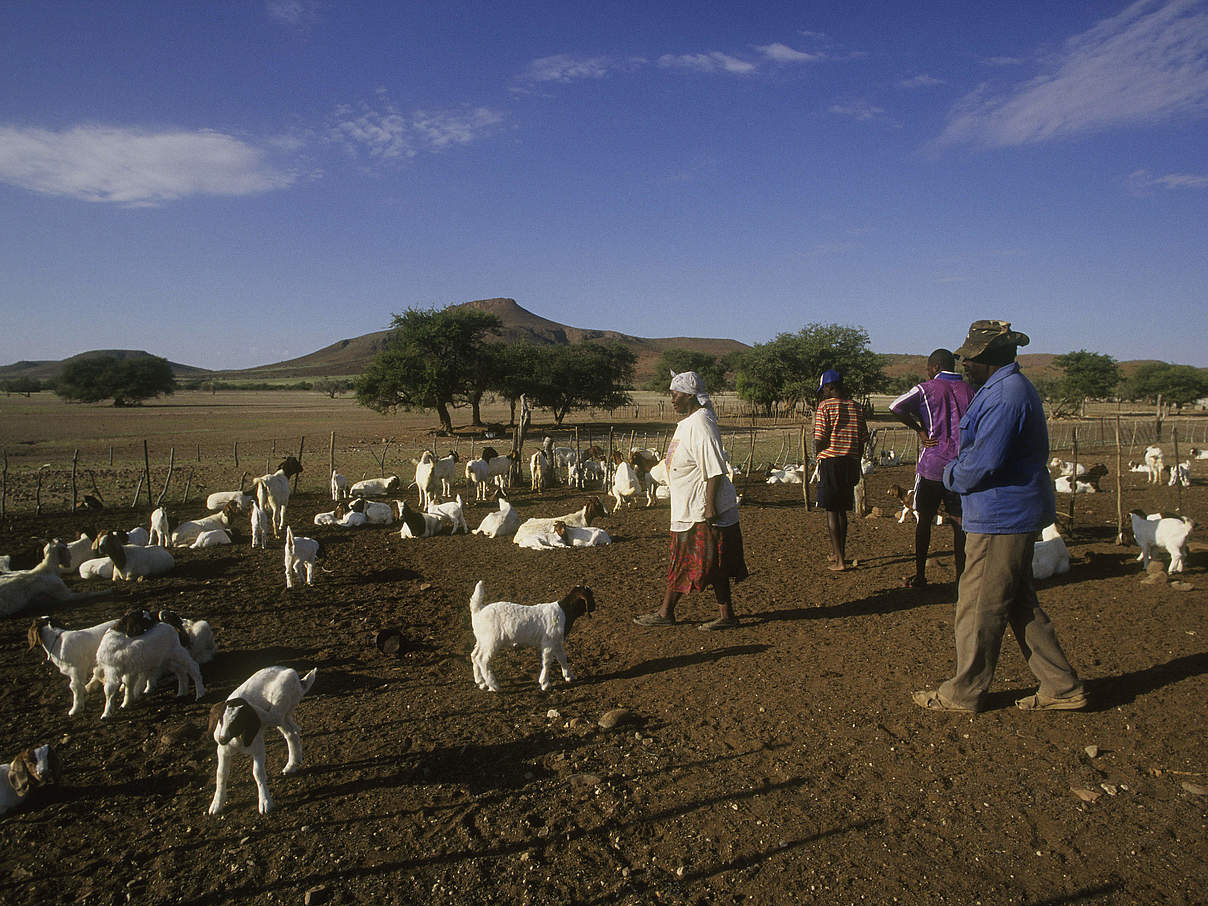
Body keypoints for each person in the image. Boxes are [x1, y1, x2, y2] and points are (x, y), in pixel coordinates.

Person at [913, 320, 1086, 713]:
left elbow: (982, 462)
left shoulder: (1006, 395)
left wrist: (950, 473)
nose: (965, 365)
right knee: (1019, 601)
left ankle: (964, 693)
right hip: (1008, 510)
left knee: (978, 605)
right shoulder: (1003, 389)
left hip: (1000, 515)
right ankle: (1062, 686)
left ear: (988, 358)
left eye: (971, 358)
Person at [634, 371, 747, 630]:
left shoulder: (701, 424)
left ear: (690, 395)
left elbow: (714, 467)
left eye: (676, 395)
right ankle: (726, 616)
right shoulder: (689, 422)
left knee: (687, 560)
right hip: (690, 507)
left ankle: (666, 613)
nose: (672, 399)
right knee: (712, 563)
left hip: (701, 509)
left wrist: (709, 507)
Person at [889, 349, 975, 587]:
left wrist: (919, 429)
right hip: (961, 465)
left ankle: (920, 575)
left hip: (933, 464)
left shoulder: (926, 388)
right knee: (959, 524)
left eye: (928, 368)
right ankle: (962, 579)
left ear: (935, 367)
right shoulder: (970, 390)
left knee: (924, 520)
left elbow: (895, 406)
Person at [813, 369, 869, 571]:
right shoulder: (857, 407)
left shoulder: (825, 407)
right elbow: (863, 439)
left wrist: (818, 450)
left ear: (830, 387)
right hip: (850, 462)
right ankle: (839, 554)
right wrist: (856, 460)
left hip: (831, 462)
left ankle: (839, 561)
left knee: (831, 511)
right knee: (843, 511)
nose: (823, 393)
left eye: (824, 389)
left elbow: (820, 439)